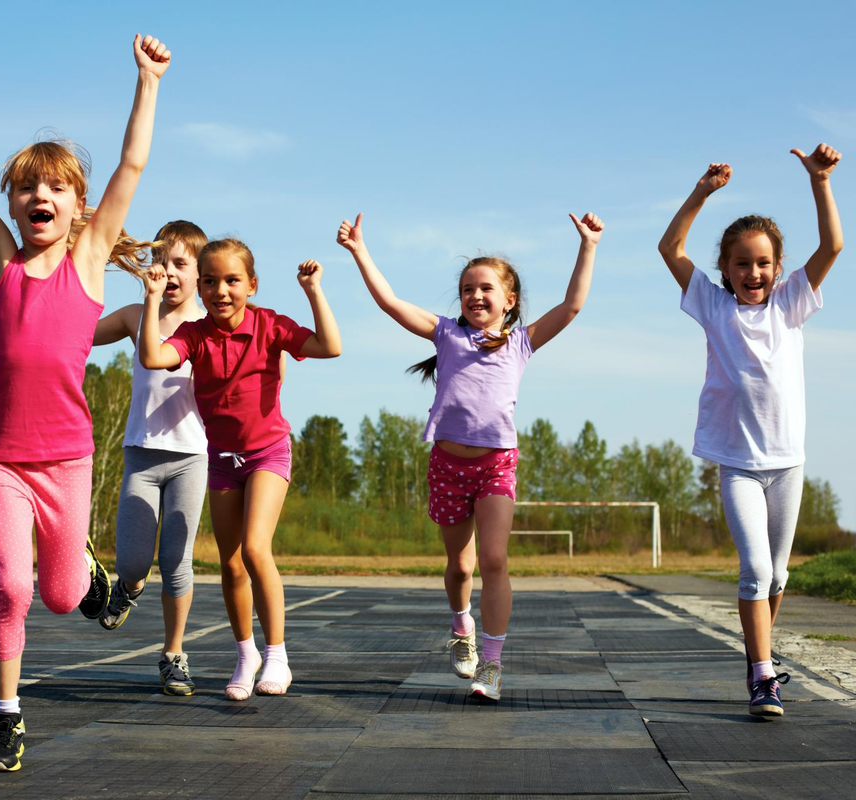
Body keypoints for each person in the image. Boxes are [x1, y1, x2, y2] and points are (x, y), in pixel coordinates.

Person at [0, 32, 171, 771]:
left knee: (64, 598)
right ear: (12, 204)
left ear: (77, 208)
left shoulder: (89, 260)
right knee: (10, 587)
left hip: (68, 461)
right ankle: (6, 718)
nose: (40, 196)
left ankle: (88, 574)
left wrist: (148, 81)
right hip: (4, 461)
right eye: (26, 188)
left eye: (56, 188)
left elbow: (132, 164)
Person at [337, 211, 603, 701]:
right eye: (467, 289)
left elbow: (571, 306)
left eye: (486, 288)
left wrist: (588, 245)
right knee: (460, 567)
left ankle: (493, 665)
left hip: (496, 464)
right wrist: (359, 251)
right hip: (447, 466)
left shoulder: (522, 342)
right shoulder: (445, 334)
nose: (475, 296)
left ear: (509, 300)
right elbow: (390, 302)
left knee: (494, 560)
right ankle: (462, 628)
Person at [657, 144, 843, 717]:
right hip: (738, 463)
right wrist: (701, 192)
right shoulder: (713, 307)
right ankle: (763, 675)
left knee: (778, 574)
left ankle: (758, 654)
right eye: (742, 263)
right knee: (756, 570)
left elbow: (833, 246)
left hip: (787, 463)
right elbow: (670, 248)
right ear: (726, 269)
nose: (753, 273)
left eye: (763, 263)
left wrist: (820, 182)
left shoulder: (790, 305)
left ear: (778, 269)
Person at [138, 239, 342, 700]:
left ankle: (277, 655)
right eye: (210, 281)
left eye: (232, 280)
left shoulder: (269, 324)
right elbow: (152, 357)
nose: (221, 291)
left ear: (252, 284)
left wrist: (313, 291)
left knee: (254, 548)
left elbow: (330, 346)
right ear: (200, 288)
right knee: (230, 565)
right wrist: (151, 299)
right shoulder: (194, 334)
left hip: (268, 452)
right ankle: (246, 655)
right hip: (222, 460)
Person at [93, 220, 209, 696]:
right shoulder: (136, 316)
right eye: (160, 261)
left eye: (180, 263)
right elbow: (79, 334)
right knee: (135, 564)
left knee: (177, 562)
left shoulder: (212, 326)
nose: (168, 271)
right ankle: (128, 586)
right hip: (141, 456)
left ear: (201, 273)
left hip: (191, 458)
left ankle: (173, 655)